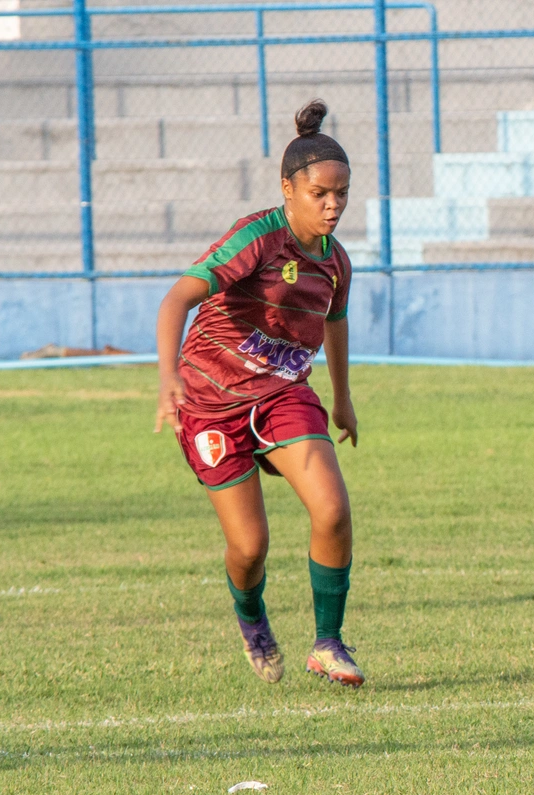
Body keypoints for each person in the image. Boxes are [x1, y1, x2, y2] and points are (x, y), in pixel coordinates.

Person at [154, 100, 364, 687]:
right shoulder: (258, 238)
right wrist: (168, 375)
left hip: (281, 395)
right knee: (250, 548)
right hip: (209, 399)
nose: (333, 205)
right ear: (288, 189)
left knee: (333, 510)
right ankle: (252, 618)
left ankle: (327, 642)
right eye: (321, 193)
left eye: (342, 193)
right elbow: (177, 298)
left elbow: (335, 322)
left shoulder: (336, 262)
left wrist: (342, 398)